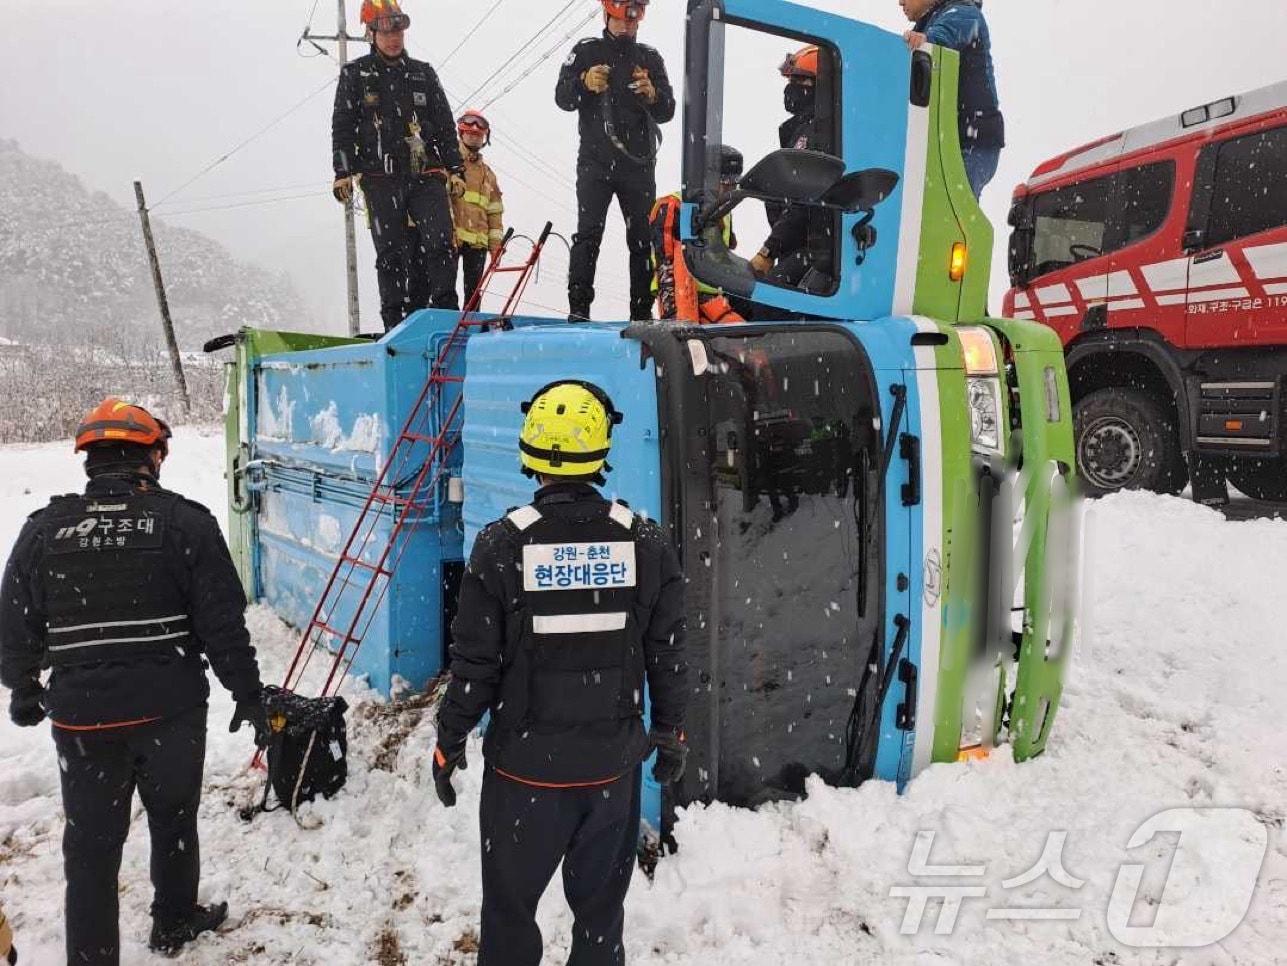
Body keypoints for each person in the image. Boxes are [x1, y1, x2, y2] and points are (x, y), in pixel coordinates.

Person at [0, 399, 268, 964]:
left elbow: (15, 624)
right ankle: (174, 919)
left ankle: (92, 956)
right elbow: (222, 625)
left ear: (90, 461)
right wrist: (247, 694)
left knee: (91, 851)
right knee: (174, 819)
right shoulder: (186, 523)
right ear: (154, 456)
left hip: (83, 721)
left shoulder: (45, 529)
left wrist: (23, 686)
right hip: (170, 711)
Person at [433, 380, 688, 966]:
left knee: (508, 916)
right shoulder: (645, 542)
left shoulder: (501, 545)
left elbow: (475, 665)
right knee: (600, 920)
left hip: (523, 774)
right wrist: (671, 729)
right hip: (610, 773)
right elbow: (669, 652)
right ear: (601, 452)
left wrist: (450, 739)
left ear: (530, 453)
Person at [331, 0, 465, 329]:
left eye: (399, 32)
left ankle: (447, 317)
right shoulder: (355, 75)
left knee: (441, 244)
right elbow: (343, 126)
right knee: (390, 255)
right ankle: (394, 326)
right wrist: (342, 172)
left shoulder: (423, 73)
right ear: (371, 33)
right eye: (387, 32)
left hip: (426, 174)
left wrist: (456, 169)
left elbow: (445, 125)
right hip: (380, 178)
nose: (394, 39)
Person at [556, 0, 675, 322]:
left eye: (632, 20)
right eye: (621, 19)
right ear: (606, 14)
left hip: (638, 166)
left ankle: (642, 313)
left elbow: (668, 110)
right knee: (588, 234)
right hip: (595, 163)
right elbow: (562, 98)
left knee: (643, 240)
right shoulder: (586, 51)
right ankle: (579, 310)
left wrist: (653, 95)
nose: (626, 25)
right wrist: (583, 83)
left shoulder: (649, 58)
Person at [748, 45, 838, 292]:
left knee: (763, 301)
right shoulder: (802, 129)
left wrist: (769, 250)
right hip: (798, 247)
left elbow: (801, 200)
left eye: (799, 80)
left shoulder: (818, 134)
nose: (791, 88)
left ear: (820, 86)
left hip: (816, 252)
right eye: (790, 81)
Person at [901, 0, 1004, 199]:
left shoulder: (964, 12)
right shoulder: (930, 22)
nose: (900, 2)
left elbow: (944, 36)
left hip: (972, 143)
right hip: (949, 141)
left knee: (952, 203)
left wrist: (926, 40)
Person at [650, 145, 745, 324]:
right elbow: (666, 267)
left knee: (754, 329)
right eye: (725, 183)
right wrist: (675, 320)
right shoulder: (672, 206)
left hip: (718, 298)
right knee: (740, 337)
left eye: (734, 184)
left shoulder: (724, 211)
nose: (730, 190)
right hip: (687, 300)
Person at [451, 109, 505, 308]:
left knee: (474, 294)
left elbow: (495, 213)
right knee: (444, 289)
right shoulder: (451, 165)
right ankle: (444, 322)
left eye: (478, 135)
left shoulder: (488, 175)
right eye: (470, 133)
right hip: (451, 239)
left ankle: (471, 324)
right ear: (461, 134)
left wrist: (495, 246)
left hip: (478, 244)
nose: (474, 137)